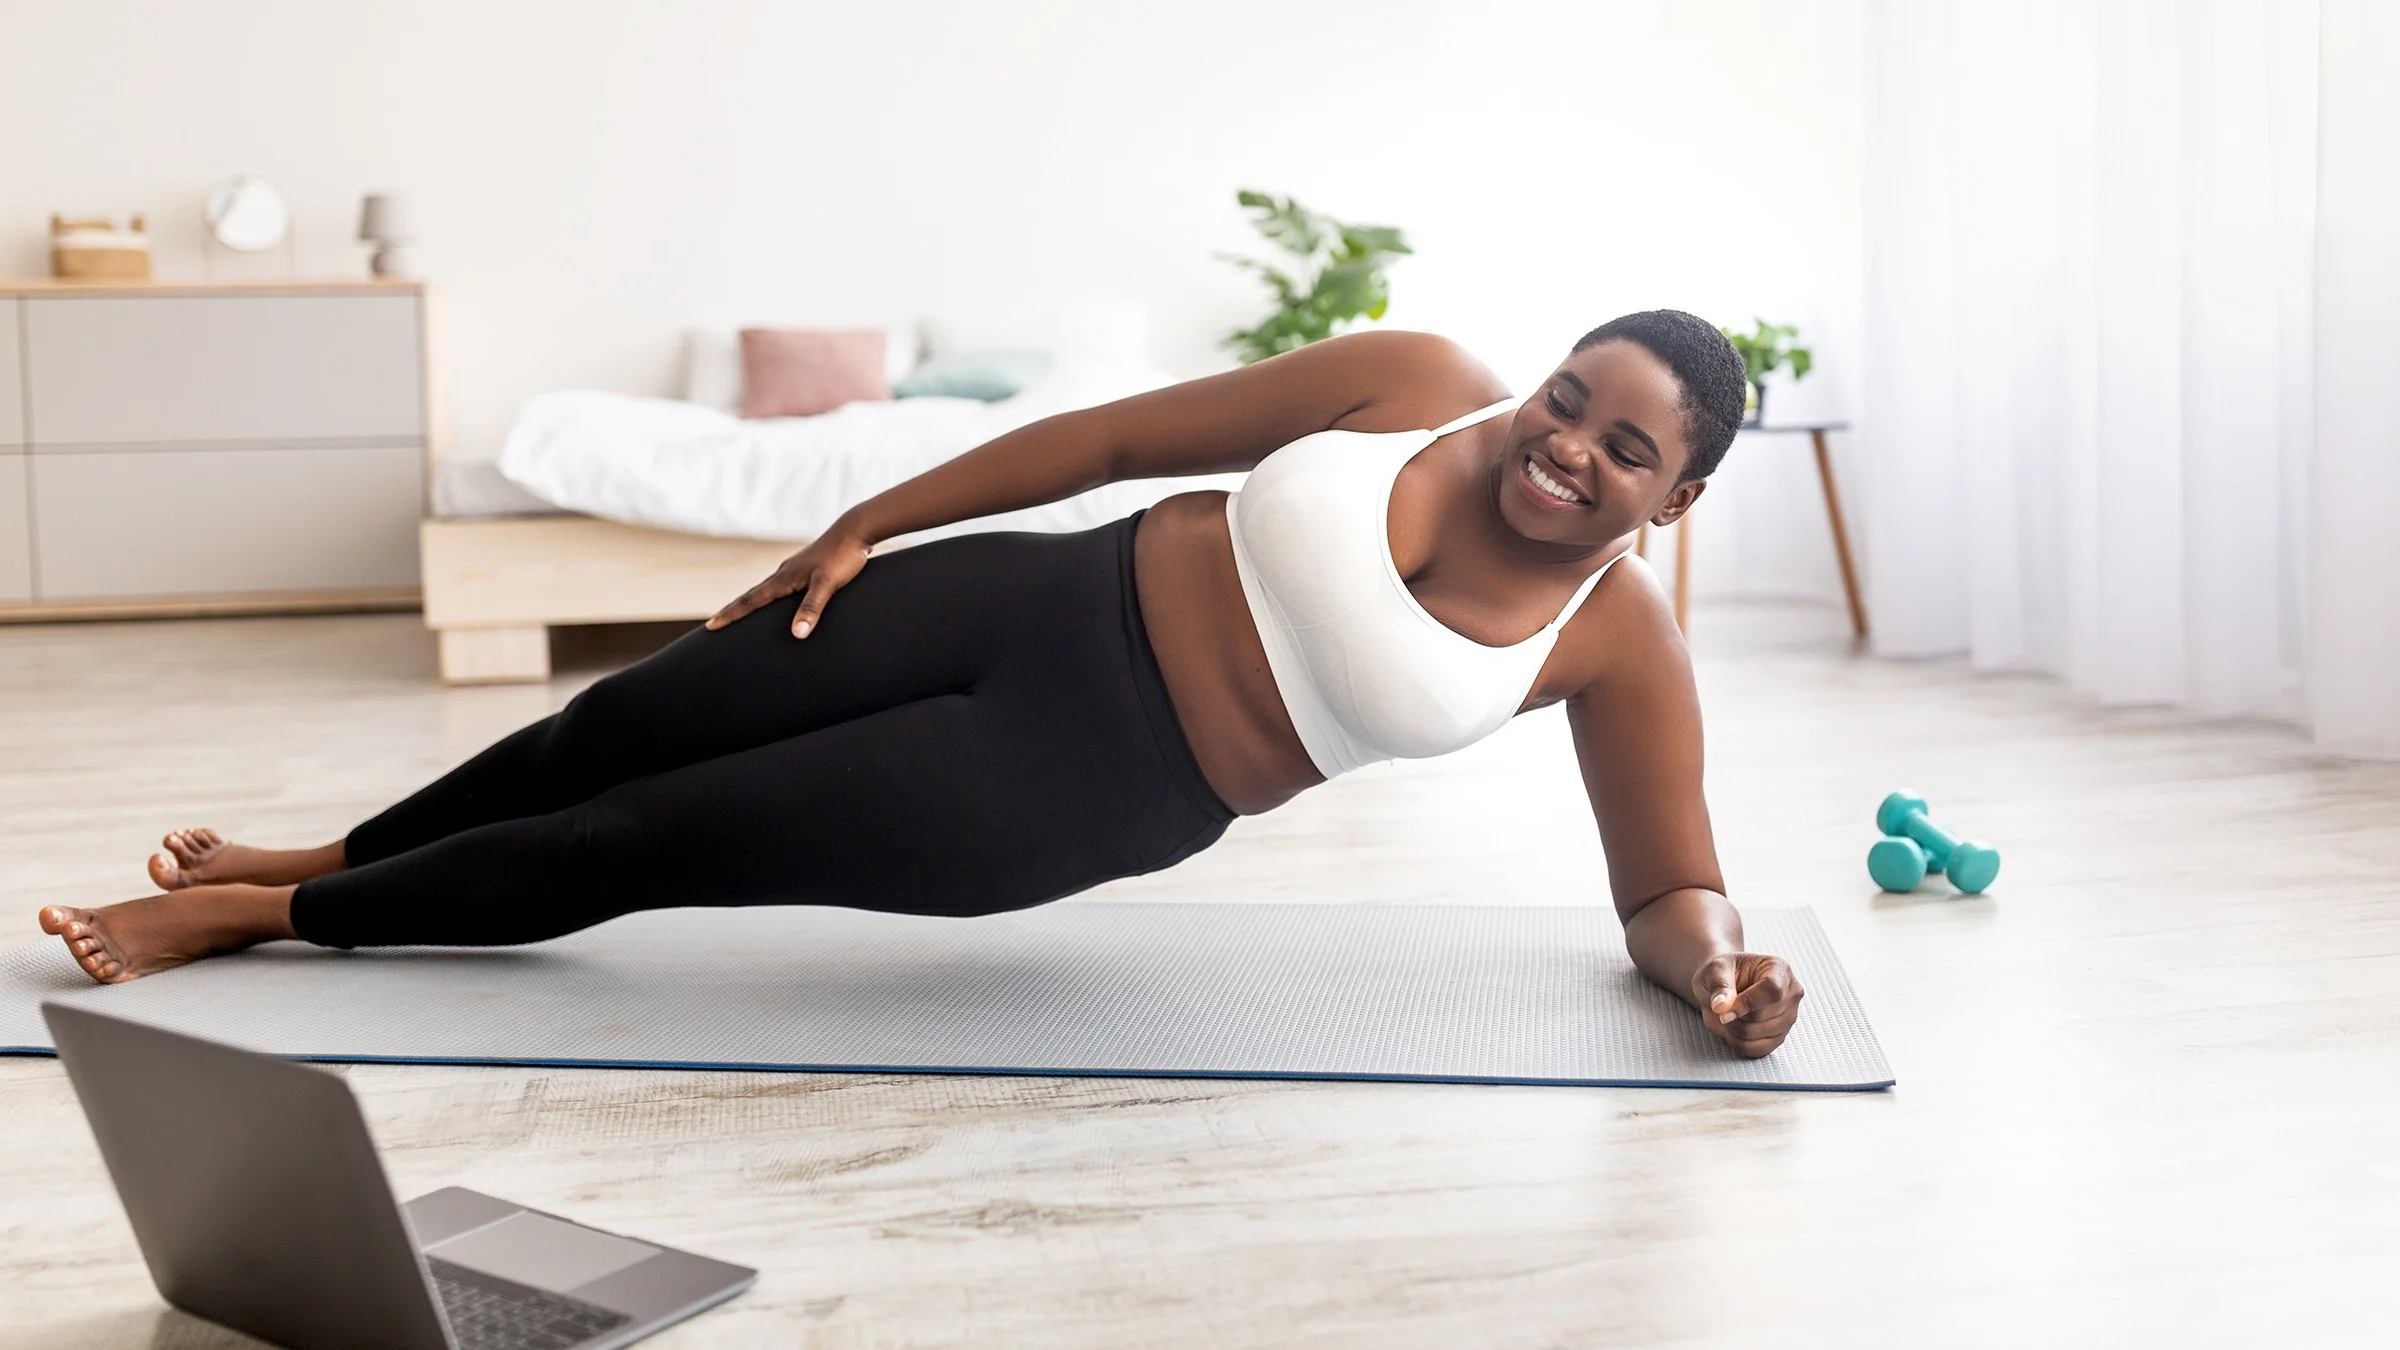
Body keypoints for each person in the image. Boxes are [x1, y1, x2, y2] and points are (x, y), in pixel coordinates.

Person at [38, 310, 1806, 1058]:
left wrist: (1720, 972)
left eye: (1626, 447)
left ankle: (262, 923)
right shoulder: (1416, 374)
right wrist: (865, 522)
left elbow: (1664, 886)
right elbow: (1115, 434)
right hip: (1028, 597)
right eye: (1573, 396)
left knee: (649, 833)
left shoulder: (1619, 645)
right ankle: (324, 854)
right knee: (625, 719)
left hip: (1094, 781)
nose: (1567, 444)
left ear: (1682, 495)